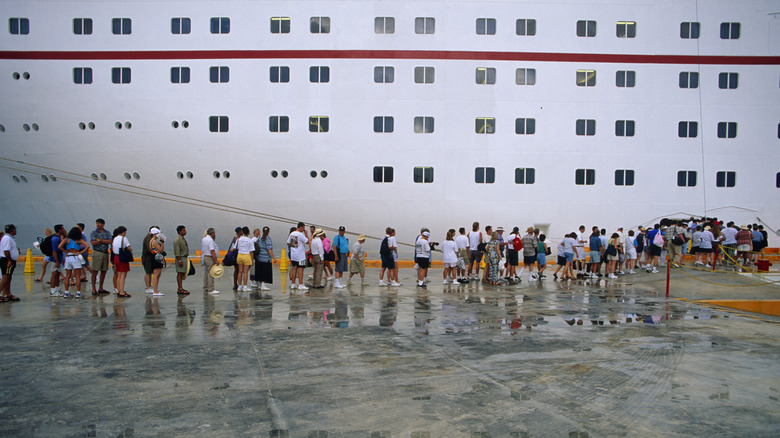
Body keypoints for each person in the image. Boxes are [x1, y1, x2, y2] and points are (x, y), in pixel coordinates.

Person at [57, 226, 90, 298]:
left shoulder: (66, 240)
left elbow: (59, 247)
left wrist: (66, 251)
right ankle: (78, 292)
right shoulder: (78, 240)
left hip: (68, 257)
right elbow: (87, 246)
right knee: (77, 276)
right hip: (75, 256)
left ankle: (66, 292)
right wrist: (81, 252)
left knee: (67, 276)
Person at [89, 219, 112, 295]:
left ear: (103, 224)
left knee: (104, 271)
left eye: (99, 223)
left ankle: (101, 287)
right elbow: (93, 243)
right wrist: (103, 241)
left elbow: (110, 241)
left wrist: (100, 240)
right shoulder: (93, 233)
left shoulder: (107, 232)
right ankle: (93, 288)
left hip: (105, 253)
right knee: (95, 270)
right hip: (97, 252)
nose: (97, 225)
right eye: (97, 223)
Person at [0, 224, 21, 302]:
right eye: (15, 229)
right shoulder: (7, 238)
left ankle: (8, 294)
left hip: (9, 260)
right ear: (12, 230)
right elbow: (6, 250)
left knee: (8, 277)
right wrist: (9, 260)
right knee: (5, 277)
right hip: (7, 260)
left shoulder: (9, 238)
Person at [287, 222, 309, 290]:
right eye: (303, 228)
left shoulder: (292, 233)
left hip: (293, 254)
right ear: (301, 227)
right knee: (301, 269)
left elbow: (288, 243)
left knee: (294, 268)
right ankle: (300, 284)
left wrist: (295, 245)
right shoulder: (300, 234)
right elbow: (307, 242)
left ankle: (293, 284)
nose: (304, 229)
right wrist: (306, 234)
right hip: (300, 255)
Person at [112, 226, 132, 297]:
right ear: (123, 232)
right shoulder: (124, 238)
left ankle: (118, 290)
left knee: (119, 274)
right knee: (123, 275)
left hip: (116, 257)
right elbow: (129, 247)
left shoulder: (115, 238)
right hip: (122, 257)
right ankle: (122, 291)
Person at [254, 226, 275, 291]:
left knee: (260, 271)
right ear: (268, 232)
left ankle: (260, 284)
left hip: (259, 258)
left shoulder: (259, 238)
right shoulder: (267, 238)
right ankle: (263, 285)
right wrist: (273, 258)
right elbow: (269, 249)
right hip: (265, 258)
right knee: (264, 272)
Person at [201, 228, 220, 294]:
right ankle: (211, 289)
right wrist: (216, 260)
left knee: (206, 273)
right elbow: (212, 251)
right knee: (211, 273)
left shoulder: (204, 239)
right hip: (210, 258)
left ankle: (206, 287)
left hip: (205, 257)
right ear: (213, 233)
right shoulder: (210, 240)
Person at [236, 226, 254, 291]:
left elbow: (236, 247)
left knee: (240, 271)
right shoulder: (250, 240)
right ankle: (245, 286)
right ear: (248, 232)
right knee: (245, 272)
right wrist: (252, 260)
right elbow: (251, 251)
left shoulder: (239, 239)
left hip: (240, 255)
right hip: (246, 255)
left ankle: (239, 286)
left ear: (242, 232)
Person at [148, 228, 165, 296]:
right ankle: (155, 291)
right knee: (156, 274)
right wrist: (162, 243)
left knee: (156, 274)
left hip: (153, 257)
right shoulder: (154, 241)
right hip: (156, 258)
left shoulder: (151, 240)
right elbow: (160, 250)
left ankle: (155, 290)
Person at [174, 225, 190, 295]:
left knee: (182, 273)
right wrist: (179, 260)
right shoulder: (177, 240)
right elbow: (177, 252)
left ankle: (181, 287)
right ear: (180, 232)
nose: (185, 231)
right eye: (183, 230)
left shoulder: (182, 239)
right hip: (180, 258)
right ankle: (180, 288)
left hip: (184, 257)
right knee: (180, 273)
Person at [49, 224, 65, 296]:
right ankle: (52, 290)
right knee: (54, 274)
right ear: (59, 230)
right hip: (54, 260)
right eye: (62, 229)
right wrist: (57, 261)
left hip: (58, 259)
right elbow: (54, 251)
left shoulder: (58, 238)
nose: (64, 230)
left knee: (57, 274)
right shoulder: (55, 239)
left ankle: (57, 289)